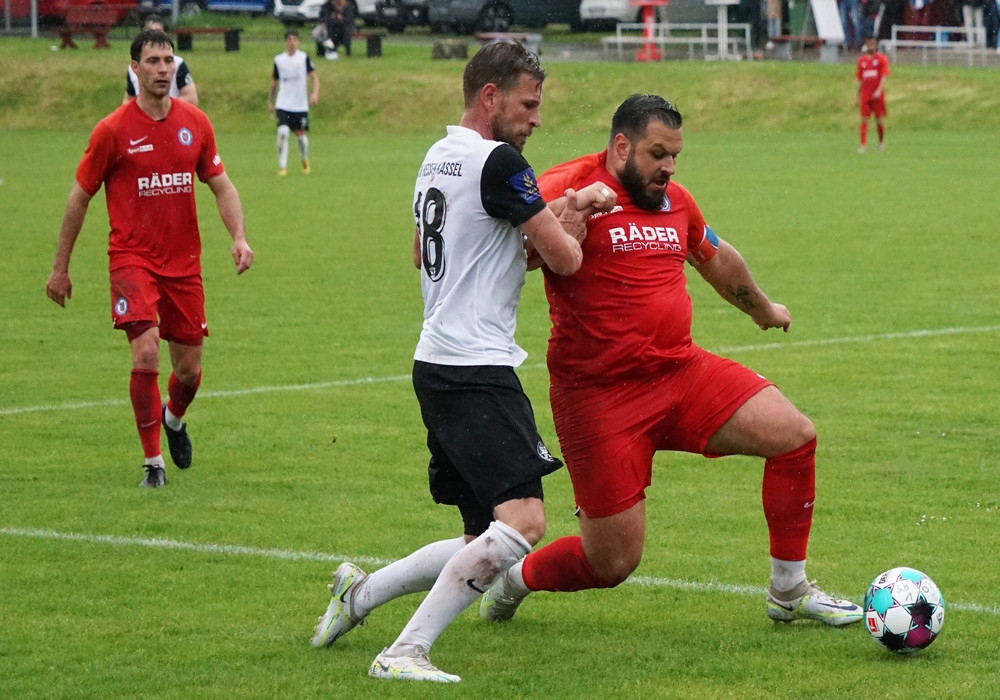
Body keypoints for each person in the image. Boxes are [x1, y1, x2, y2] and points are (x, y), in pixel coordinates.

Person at [475, 94, 864, 651]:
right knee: (612, 561)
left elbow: (716, 257)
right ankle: (517, 578)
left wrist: (763, 309)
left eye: (675, 156)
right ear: (622, 146)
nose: (669, 168)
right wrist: (558, 220)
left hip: (681, 373)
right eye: (658, 154)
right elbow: (500, 239)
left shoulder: (674, 201)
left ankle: (789, 590)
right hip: (599, 398)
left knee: (793, 435)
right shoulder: (569, 185)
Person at [308, 42, 615, 684]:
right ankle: (405, 651)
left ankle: (358, 596)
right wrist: (576, 219)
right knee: (525, 520)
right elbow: (564, 261)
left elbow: (442, 250)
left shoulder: (438, 155)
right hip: (476, 368)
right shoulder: (500, 162)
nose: (536, 119)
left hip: (437, 361)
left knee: (484, 538)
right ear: (491, 97)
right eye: (528, 105)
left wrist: (556, 215)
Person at [46, 29, 254, 489]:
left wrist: (239, 237)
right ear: (134, 68)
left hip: (183, 263)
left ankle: (173, 419)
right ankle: (152, 463)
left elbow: (221, 186)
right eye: (153, 61)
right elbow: (79, 198)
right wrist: (60, 268)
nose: (163, 69)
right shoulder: (112, 130)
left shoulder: (195, 123)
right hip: (131, 258)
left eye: (168, 61)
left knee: (188, 371)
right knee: (145, 349)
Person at [268, 30, 319, 176]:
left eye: (294, 40)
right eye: (289, 40)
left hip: (300, 104)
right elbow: (274, 82)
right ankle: (282, 166)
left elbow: (314, 78)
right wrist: (270, 101)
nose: (292, 43)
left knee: (300, 136)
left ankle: (304, 159)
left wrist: (315, 93)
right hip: (283, 103)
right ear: (285, 42)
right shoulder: (279, 60)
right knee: (283, 133)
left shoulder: (303, 58)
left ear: (298, 41)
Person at [123, 14, 198, 106]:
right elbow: (128, 99)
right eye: (153, 61)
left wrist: (164, 108)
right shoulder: (132, 69)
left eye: (158, 33)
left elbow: (191, 98)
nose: (163, 69)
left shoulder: (178, 63)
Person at [856, 35, 889, 153]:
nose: (871, 46)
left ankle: (881, 142)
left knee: (879, 120)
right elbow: (860, 79)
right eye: (869, 44)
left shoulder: (881, 59)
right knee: (864, 119)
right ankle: (863, 145)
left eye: (873, 44)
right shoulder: (861, 61)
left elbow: (884, 76)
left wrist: (879, 90)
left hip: (877, 96)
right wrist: (857, 96)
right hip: (865, 95)